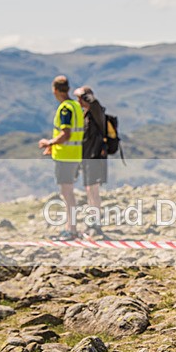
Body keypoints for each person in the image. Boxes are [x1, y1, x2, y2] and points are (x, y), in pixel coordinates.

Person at [38, 75, 84, 241]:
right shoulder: (76, 106)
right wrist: (53, 146)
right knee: (68, 192)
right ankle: (70, 229)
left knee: (67, 193)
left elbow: (66, 134)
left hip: (66, 156)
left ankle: (70, 230)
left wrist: (48, 142)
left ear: (55, 90)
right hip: (75, 154)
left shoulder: (65, 108)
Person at [74, 85, 108, 240]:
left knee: (93, 190)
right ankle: (92, 222)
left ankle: (95, 224)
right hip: (88, 157)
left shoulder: (96, 111)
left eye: (80, 99)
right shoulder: (87, 114)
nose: (79, 101)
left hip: (95, 157)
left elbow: (94, 103)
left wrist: (82, 93)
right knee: (89, 190)